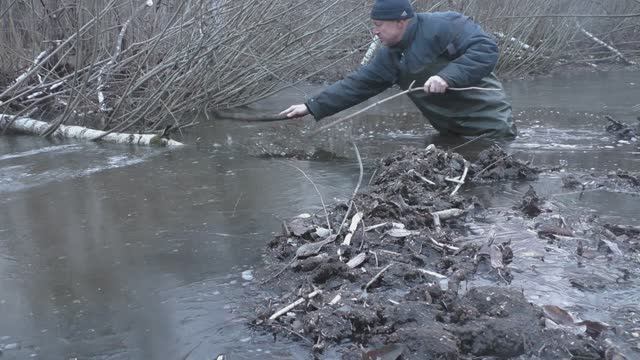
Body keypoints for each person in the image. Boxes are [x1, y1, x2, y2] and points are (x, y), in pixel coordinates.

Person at [280, 0, 517, 138]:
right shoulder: (390, 56)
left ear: (401, 22)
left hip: (492, 128)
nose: (375, 32)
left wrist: (447, 77)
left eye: (379, 25)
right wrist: (311, 106)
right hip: (449, 133)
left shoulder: (446, 25)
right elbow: (356, 85)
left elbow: (485, 50)